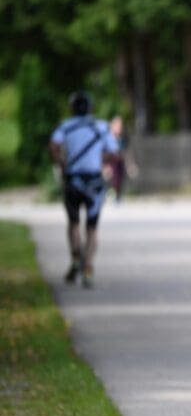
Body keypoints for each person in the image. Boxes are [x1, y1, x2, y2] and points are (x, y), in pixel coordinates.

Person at [49, 91, 119, 288]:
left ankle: (75, 259)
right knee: (92, 228)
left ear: (72, 108)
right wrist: (98, 160)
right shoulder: (102, 127)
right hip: (94, 183)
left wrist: (62, 162)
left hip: (72, 181)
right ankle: (88, 267)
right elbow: (114, 153)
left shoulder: (65, 126)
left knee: (73, 223)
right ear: (90, 107)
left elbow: (53, 145)